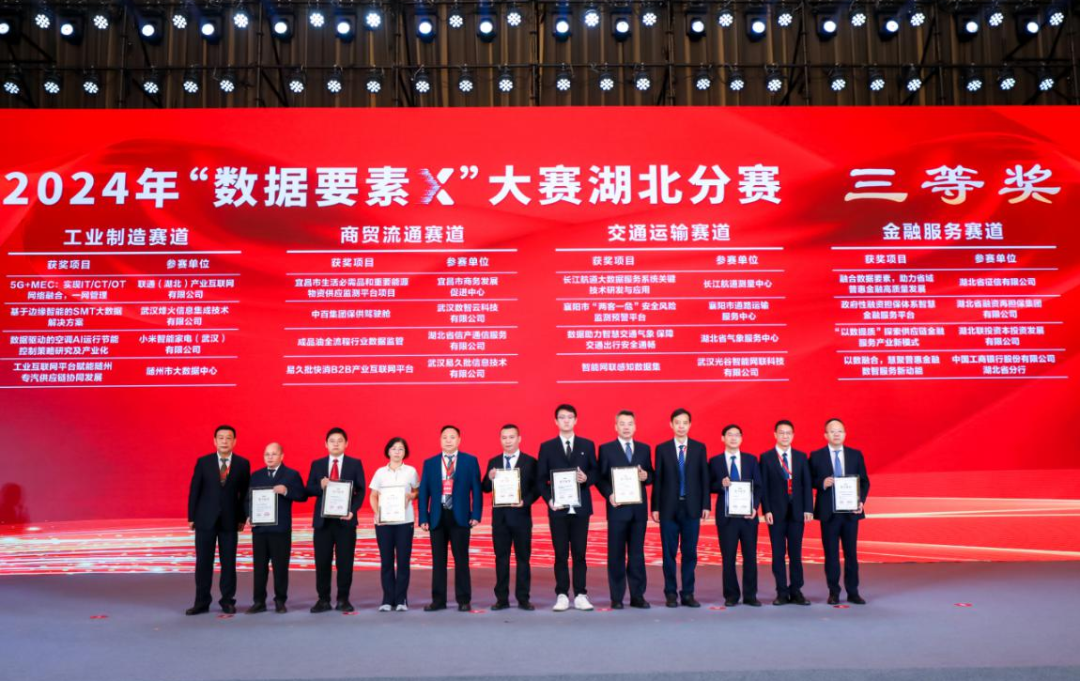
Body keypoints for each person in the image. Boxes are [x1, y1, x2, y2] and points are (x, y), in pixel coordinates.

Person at [537, 403, 597, 612]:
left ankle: (580, 594)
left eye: (570, 417)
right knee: (560, 554)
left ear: (576, 420)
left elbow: (596, 472)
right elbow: (540, 479)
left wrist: (586, 478)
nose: (566, 420)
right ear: (556, 421)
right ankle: (562, 594)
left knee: (580, 553)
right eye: (562, 417)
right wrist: (549, 500)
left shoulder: (587, 445)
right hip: (558, 509)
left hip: (581, 509)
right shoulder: (547, 447)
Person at [186, 424, 250, 615]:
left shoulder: (242, 463)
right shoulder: (203, 462)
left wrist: (242, 517)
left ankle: (227, 601)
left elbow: (245, 494)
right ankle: (201, 602)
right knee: (203, 563)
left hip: (230, 521)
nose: (224, 441)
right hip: (205, 520)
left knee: (228, 563)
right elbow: (195, 490)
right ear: (214, 441)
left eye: (228, 438)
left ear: (234, 441)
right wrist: (191, 516)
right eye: (220, 438)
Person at [418, 425, 482, 612]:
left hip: (460, 517)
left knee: (461, 560)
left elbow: (476, 489)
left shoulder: (470, 461)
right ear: (440, 440)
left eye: (452, 437)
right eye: (445, 437)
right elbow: (424, 492)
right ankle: (438, 600)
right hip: (437, 517)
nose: (448, 440)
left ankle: (464, 600)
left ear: (459, 440)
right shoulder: (430, 463)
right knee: (438, 561)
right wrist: (423, 517)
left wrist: (476, 514)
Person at [651, 408, 710, 608]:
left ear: (690, 425)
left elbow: (704, 478)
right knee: (669, 553)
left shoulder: (699, 448)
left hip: (692, 507)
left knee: (690, 553)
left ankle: (688, 593)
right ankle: (670, 593)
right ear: (671, 425)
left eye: (685, 422)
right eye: (677, 423)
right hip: (668, 508)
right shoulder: (662, 448)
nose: (681, 426)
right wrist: (655, 507)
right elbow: (658, 479)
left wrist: (706, 504)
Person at [596, 410, 653, 609]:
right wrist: (609, 494)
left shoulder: (644, 449)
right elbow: (600, 478)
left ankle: (638, 596)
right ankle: (617, 597)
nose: (626, 427)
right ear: (616, 427)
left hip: (638, 510)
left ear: (635, 426)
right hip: (617, 509)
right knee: (616, 554)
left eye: (630, 424)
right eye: (622, 424)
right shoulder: (606, 449)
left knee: (637, 554)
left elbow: (651, 475)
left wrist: (646, 476)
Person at [810, 418, 871, 605]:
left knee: (851, 553)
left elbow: (864, 482)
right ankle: (833, 592)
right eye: (832, 431)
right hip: (829, 513)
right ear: (825, 435)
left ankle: (853, 592)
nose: (836, 434)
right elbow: (808, 480)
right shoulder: (816, 456)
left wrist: (860, 501)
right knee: (831, 554)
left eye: (840, 431)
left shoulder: (855, 455)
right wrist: (822, 482)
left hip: (850, 512)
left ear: (845, 434)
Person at [306, 427, 366, 614]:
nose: (336, 444)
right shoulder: (317, 464)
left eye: (340, 441)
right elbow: (309, 488)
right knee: (322, 561)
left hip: (345, 521)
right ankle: (323, 599)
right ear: (326, 444)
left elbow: (361, 490)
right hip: (323, 523)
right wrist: (320, 485)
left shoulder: (354, 464)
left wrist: (352, 511)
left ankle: (343, 599)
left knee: (345, 562)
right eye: (332, 441)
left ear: (346, 444)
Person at [481, 424, 538, 611]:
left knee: (523, 559)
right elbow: (485, 488)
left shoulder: (530, 461)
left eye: (511, 437)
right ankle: (501, 599)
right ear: (500, 440)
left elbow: (537, 488)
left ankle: (523, 598)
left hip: (521, 518)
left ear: (519, 439)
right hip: (500, 519)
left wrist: (525, 501)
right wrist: (489, 477)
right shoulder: (494, 461)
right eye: (504, 438)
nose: (508, 441)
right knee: (501, 559)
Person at [245, 442, 306, 614]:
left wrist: (286, 491)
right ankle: (259, 602)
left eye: (273, 454)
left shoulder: (291, 475)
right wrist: (248, 515)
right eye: (267, 454)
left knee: (280, 568)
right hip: (260, 529)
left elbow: (302, 495)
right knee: (259, 568)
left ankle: (280, 601)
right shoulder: (256, 475)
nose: (270, 457)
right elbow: (247, 499)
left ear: (282, 456)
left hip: (281, 530)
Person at [759, 420, 813, 606]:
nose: (785, 436)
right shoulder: (766, 457)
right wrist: (766, 509)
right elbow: (763, 487)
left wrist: (808, 508)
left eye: (788, 433)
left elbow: (806, 484)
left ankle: (796, 591)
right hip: (776, 513)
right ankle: (781, 592)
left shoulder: (801, 457)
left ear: (793, 435)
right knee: (778, 554)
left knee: (796, 553)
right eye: (781, 433)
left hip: (797, 512)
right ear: (775, 435)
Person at [710, 424, 762, 608]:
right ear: (722, 438)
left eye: (737, 435)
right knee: (728, 557)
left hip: (748, 516)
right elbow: (708, 485)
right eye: (729, 435)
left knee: (750, 557)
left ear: (741, 438)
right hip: (727, 517)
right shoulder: (715, 461)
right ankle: (731, 595)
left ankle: (750, 595)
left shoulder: (751, 460)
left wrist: (755, 507)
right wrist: (720, 484)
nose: (733, 438)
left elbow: (758, 486)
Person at [369, 437, 420, 612]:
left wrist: (411, 496)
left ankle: (401, 599)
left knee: (403, 561)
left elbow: (417, 491)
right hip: (384, 523)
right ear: (388, 451)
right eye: (394, 448)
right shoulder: (380, 472)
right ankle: (387, 599)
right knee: (386, 561)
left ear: (405, 452)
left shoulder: (411, 471)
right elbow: (373, 495)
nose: (397, 452)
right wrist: (377, 513)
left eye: (401, 449)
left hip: (405, 521)